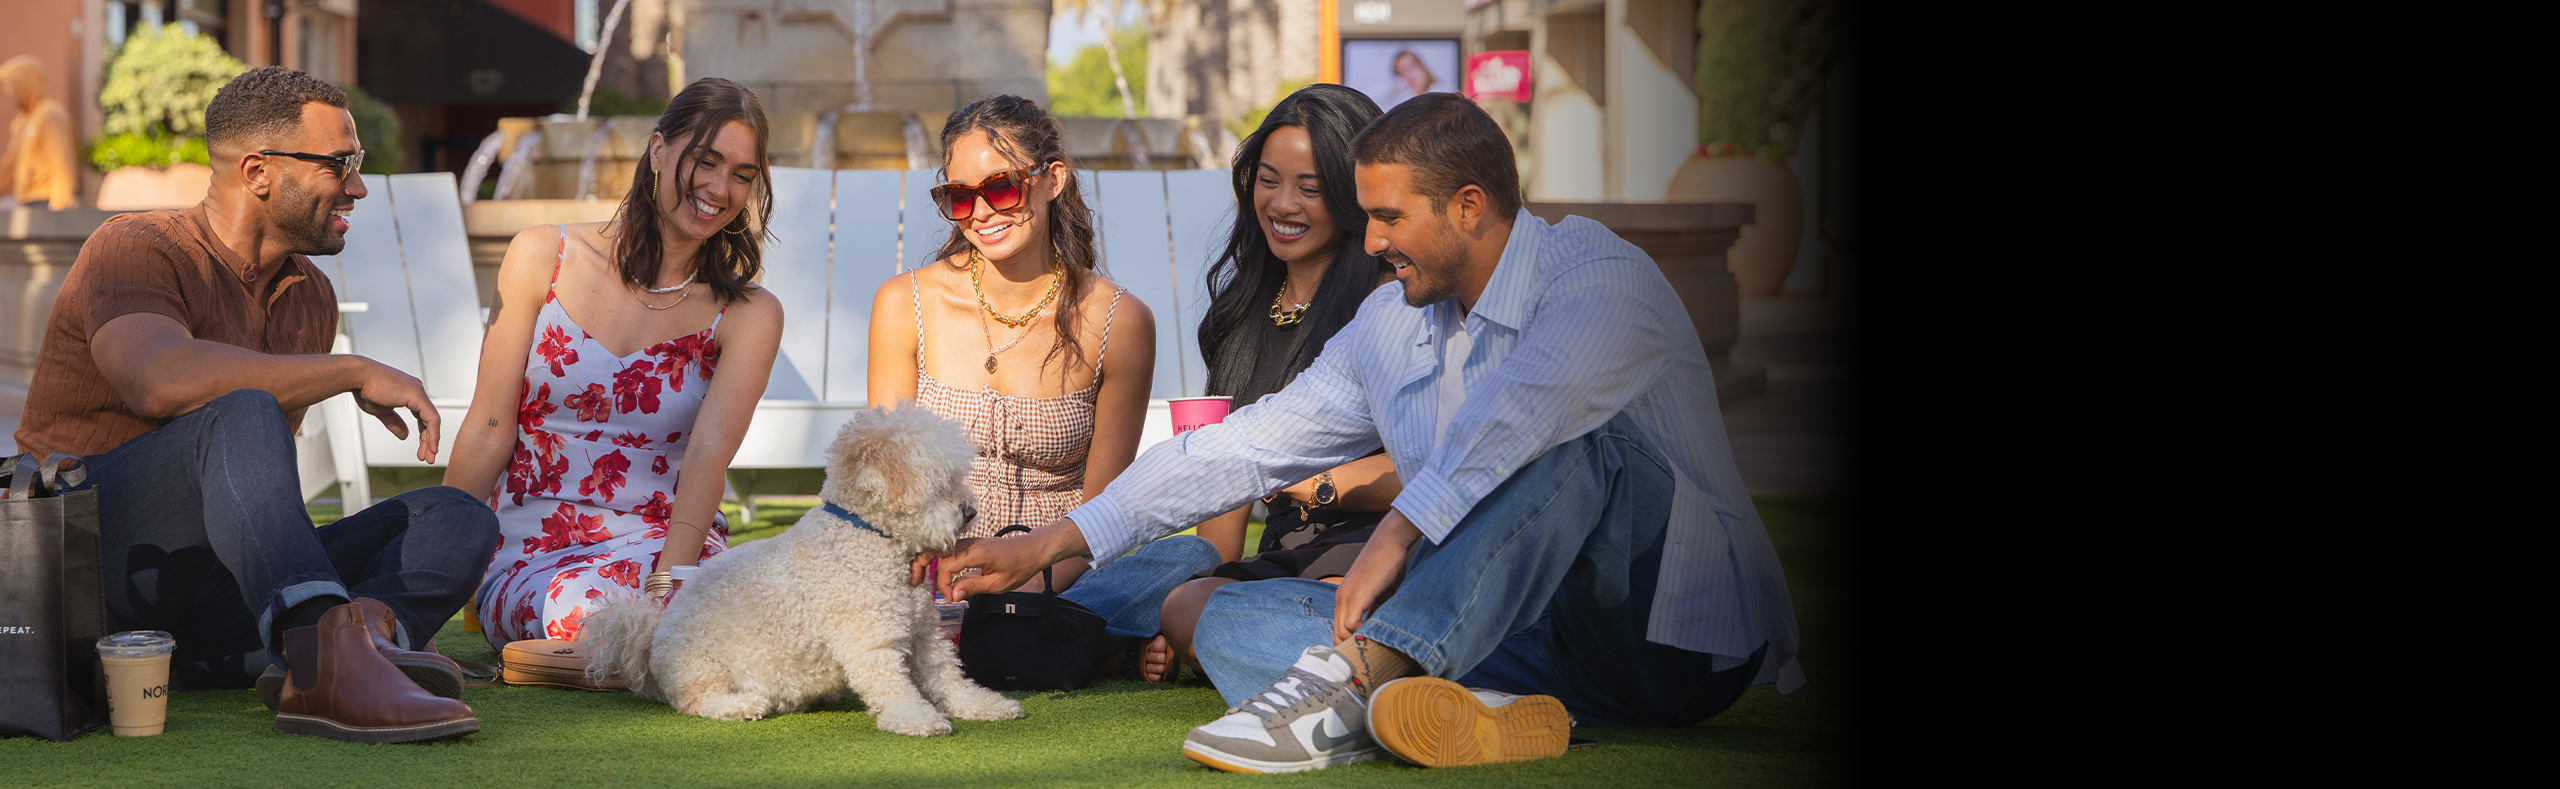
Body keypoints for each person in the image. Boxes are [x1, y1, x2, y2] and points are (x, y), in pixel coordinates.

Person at [926, 94, 1803, 773]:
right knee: (1213, 611)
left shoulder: (1602, 278)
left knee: (1581, 446)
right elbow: (1244, 445)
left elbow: (1522, 414)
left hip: (1669, 641)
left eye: (1388, 218)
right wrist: (1061, 536)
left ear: (1468, 206)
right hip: (1520, 640)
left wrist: (1398, 526)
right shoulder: (1393, 321)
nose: (1370, 240)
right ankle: (1477, 708)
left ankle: (1356, 684)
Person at [10, 66, 495, 743]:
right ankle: (324, 660)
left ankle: (366, 642)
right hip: (75, 572)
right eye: (339, 163)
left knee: (454, 515)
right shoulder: (135, 247)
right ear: (258, 171)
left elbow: (251, 495)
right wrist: (349, 369)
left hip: (200, 599)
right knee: (241, 408)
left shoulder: (310, 296)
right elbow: (158, 381)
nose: (357, 184)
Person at [1069, 84, 1399, 684]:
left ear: (1356, 195)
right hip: (1282, 561)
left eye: (1311, 187)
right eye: (1268, 180)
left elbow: (1433, 472)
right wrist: (1191, 597)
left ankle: (1383, 678)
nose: (1282, 203)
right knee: (1182, 582)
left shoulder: (1386, 304)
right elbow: (1220, 504)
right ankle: (1063, 628)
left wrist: (1312, 482)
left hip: (1374, 550)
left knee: (1230, 607)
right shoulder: (1245, 309)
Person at [446, 78, 783, 648]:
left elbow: (706, 459)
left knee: (731, 607)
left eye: (742, 175)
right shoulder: (543, 255)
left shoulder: (747, 312)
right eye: (706, 161)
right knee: (596, 614)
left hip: (667, 544)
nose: (720, 188)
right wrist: (431, 579)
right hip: (537, 553)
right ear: (658, 151)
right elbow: (488, 427)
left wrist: (669, 588)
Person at [866, 94, 1154, 593]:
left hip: (1060, 577)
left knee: (1181, 557)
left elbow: (1101, 520)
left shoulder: (1119, 320)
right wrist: (941, 588)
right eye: (959, 196)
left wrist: (1023, 590)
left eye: (1000, 188)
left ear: (1053, 180)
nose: (980, 213)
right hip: (933, 579)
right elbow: (891, 491)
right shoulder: (904, 303)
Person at [1, 55, 80, 209]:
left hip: (47, 201)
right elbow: (10, 166)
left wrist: (60, 207)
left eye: (11, 86)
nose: (8, 93)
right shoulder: (21, 122)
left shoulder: (50, 114)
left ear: (24, 84)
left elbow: (61, 165)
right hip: (26, 201)